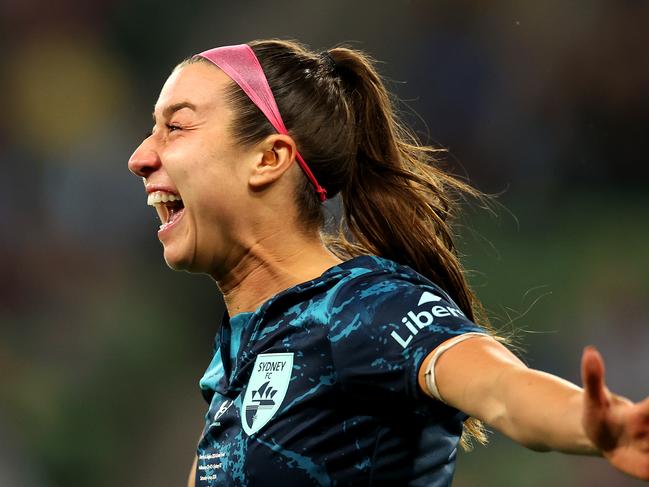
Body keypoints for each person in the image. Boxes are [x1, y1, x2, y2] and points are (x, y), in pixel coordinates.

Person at [127, 39, 649, 486]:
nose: (140, 157)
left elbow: (500, 389)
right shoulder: (233, 358)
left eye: (176, 127)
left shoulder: (363, 305)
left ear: (268, 158)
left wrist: (594, 424)